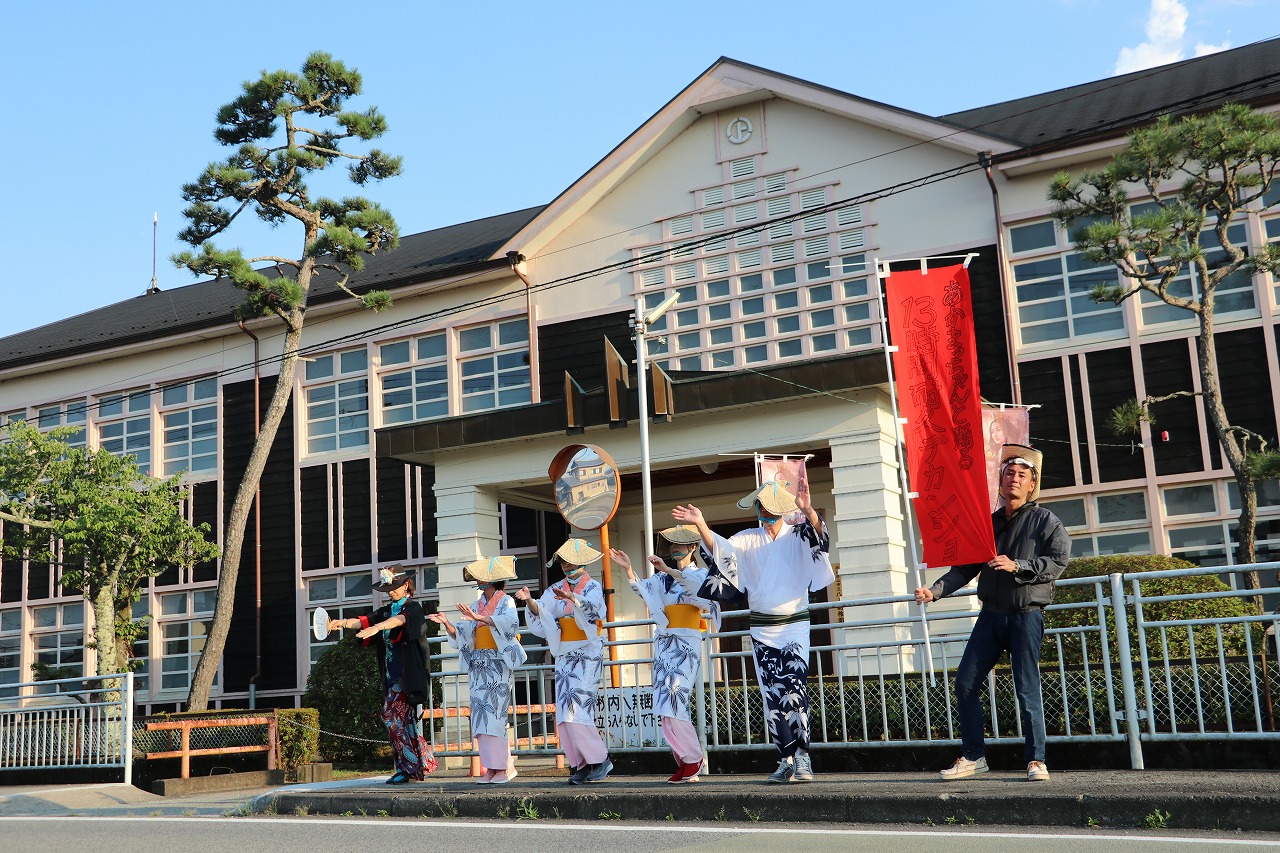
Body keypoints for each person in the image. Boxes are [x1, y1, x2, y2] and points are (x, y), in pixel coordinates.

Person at [914, 443, 1070, 783]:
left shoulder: (1047, 521)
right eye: (1009, 474)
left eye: (1022, 475)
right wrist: (934, 591)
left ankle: (1036, 760)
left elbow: (1058, 561)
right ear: (1000, 482)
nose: (1014, 479)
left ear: (1032, 484)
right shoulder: (987, 524)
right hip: (990, 616)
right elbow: (964, 567)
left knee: (1027, 688)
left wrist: (1019, 566)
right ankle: (973, 756)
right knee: (965, 682)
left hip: (1026, 614)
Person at [673, 475, 834, 783]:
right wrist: (702, 524)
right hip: (762, 627)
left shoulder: (798, 534)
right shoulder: (747, 538)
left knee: (795, 691)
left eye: (768, 506)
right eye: (761, 505)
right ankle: (784, 758)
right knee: (772, 695)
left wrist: (809, 510)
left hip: (794, 624)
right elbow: (722, 552)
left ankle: (803, 757)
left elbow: (820, 537)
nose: (764, 511)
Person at [611, 524, 721, 784]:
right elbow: (643, 590)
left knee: (675, 698)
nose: (674, 549)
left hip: (686, 642)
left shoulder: (700, 574)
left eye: (679, 545)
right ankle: (684, 761)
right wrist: (628, 569)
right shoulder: (661, 578)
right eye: (671, 545)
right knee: (664, 704)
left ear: (692, 548)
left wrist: (669, 569)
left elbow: (700, 596)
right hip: (664, 642)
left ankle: (694, 758)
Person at [327, 565, 438, 784]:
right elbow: (366, 621)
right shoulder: (387, 610)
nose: (391, 591)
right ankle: (416, 765)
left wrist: (378, 628)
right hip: (390, 674)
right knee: (402, 722)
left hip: (407, 676)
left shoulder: (413, 608)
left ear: (406, 585)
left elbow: (400, 621)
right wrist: (342, 623)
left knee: (392, 717)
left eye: (395, 587)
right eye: (388, 588)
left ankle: (411, 766)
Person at [515, 538, 613, 785]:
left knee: (577, 710)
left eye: (572, 562)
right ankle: (580, 763)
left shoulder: (592, 587)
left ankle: (599, 759)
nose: (567, 566)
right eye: (564, 563)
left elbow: (595, 611)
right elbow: (543, 611)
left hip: (587, 653)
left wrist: (574, 598)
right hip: (565, 655)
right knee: (563, 712)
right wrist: (529, 601)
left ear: (582, 563)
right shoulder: (554, 589)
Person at [429, 555, 527, 784]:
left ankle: (505, 767)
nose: (479, 581)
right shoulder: (476, 604)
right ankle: (491, 768)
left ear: (493, 580)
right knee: (481, 717)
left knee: (495, 715)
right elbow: (464, 634)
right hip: (479, 665)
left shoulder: (506, 601)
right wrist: (446, 623)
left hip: (497, 662)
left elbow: (511, 624)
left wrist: (481, 617)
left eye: (483, 578)